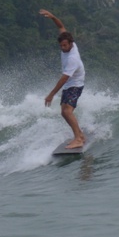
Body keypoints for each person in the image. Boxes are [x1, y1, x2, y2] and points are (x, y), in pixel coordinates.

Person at [39, 9, 86, 149]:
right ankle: (80, 135)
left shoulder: (73, 58)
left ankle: (78, 138)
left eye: (65, 45)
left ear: (71, 44)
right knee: (63, 112)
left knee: (67, 111)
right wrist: (53, 16)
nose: (63, 47)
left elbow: (64, 79)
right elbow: (61, 27)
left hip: (75, 84)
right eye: (61, 45)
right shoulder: (66, 42)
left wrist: (51, 95)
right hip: (69, 84)